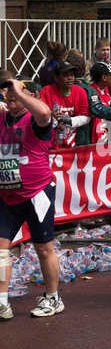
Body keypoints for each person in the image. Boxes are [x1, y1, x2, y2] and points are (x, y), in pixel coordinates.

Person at [0, 78, 63, 320]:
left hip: (37, 195)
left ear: (31, 96)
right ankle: (2, 303)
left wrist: (19, 90)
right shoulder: (2, 117)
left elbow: (45, 111)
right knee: (1, 251)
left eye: (18, 91)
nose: (11, 94)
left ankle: (53, 298)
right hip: (6, 197)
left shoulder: (37, 119)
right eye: (7, 90)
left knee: (44, 248)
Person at [40, 61, 91, 149]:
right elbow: (40, 117)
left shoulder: (80, 91)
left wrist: (69, 121)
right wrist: (52, 119)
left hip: (75, 144)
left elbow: (86, 117)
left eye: (72, 75)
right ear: (56, 78)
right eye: (65, 75)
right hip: (51, 144)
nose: (70, 78)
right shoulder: (46, 92)